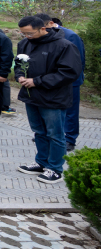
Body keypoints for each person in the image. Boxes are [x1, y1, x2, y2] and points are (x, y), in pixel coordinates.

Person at [15, 16, 82, 184]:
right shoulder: (24, 44)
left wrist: (37, 81)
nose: (27, 37)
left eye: (30, 33)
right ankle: (41, 162)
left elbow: (69, 72)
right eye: (23, 33)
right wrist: (20, 76)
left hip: (53, 97)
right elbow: (18, 64)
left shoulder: (64, 45)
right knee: (39, 131)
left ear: (43, 29)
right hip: (31, 95)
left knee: (55, 134)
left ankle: (55, 168)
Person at [34, 13, 85, 153]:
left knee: (70, 110)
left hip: (69, 80)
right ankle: (49, 134)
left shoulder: (70, 36)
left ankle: (70, 138)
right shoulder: (38, 36)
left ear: (50, 23)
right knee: (48, 108)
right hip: (49, 80)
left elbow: (78, 61)